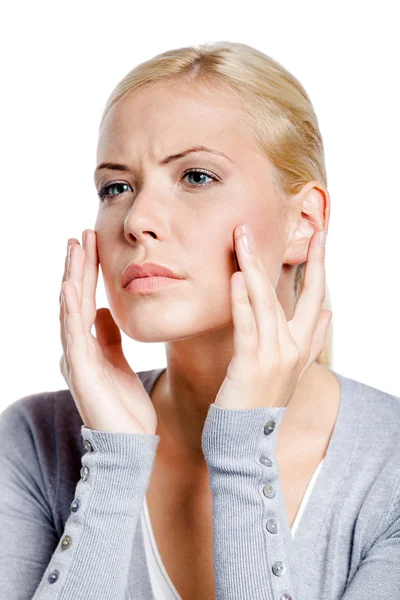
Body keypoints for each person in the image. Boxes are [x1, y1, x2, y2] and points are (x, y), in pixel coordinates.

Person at [0, 41, 399, 600]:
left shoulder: (391, 469)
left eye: (196, 177)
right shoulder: (34, 442)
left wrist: (242, 447)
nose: (136, 220)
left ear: (304, 222)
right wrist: (113, 463)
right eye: (117, 187)